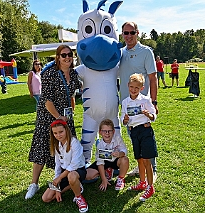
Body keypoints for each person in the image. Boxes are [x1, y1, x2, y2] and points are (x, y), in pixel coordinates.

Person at [25, 45, 82, 199]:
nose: (67, 57)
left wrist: (71, 112)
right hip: (48, 116)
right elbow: (46, 100)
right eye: (63, 55)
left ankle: (68, 178)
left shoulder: (74, 73)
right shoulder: (50, 73)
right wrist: (58, 117)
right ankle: (34, 184)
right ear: (58, 57)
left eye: (70, 54)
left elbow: (73, 94)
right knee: (42, 149)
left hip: (64, 117)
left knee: (67, 146)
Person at [118, 21, 158, 178]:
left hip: (142, 106)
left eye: (131, 33)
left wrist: (153, 102)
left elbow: (153, 78)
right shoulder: (120, 53)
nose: (128, 36)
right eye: (125, 33)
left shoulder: (146, 51)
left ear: (137, 33)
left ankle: (152, 170)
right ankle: (141, 167)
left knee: (146, 138)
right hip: (127, 104)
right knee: (134, 136)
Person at [121, 73, 158, 201]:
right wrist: (125, 120)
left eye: (136, 88)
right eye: (131, 87)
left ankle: (150, 186)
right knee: (140, 159)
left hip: (145, 131)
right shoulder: (125, 102)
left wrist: (149, 115)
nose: (133, 90)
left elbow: (154, 116)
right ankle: (142, 183)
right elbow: (123, 119)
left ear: (141, 88)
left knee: (147, 160)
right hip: (134, 132)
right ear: (128, 86)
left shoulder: (145, 100)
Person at [42, 119, 88, 213]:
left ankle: (79, 197)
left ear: (66, 130)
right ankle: (75, 186)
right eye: (55, 133)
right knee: (46, 198)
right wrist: (57, 187)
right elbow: (58, 165)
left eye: (61, 132)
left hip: (78, 170)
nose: (58, 135)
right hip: (64, 172)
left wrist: (59, 178)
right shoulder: (56, 145)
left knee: (71, 176)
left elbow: (74, 165)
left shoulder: (74, 143)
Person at [86, 119, 129, 191]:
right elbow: (100, 163)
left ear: (113, 131)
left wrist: (119, 154)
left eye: (109, 131)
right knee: (88, 175)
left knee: (125, 159)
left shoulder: (118, 138)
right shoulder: (100, 145)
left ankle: (121, 179)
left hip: (116, 160)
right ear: (100, 132)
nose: (107, 133)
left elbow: (124, 150)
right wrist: (104, 179)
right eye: (104, 131)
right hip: (104, 162)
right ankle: (106, 171)